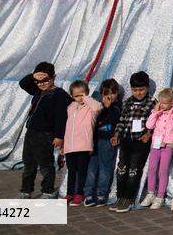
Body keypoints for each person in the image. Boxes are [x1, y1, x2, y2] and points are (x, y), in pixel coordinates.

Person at [18, 61, 71, 200]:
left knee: (45, 165)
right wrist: (33, 76)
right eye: (37, 81)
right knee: (28, 164)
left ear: (54, 77)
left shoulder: (60, 95)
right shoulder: (37, 90)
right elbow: (23, 83)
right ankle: (26, 190)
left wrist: (59, 136)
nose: (41, 83)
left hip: (46, 135)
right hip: (31, 132)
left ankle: (47, 191)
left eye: (45, 80)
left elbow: (61, 118)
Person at [110, 71, 156, 212]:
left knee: (134, 171)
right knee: (122, 169)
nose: (138, 93)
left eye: (141, 89)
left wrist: (149, 134)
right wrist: (116, 135)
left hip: (140, 142)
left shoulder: (152, 103)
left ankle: (129, 199)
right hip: (126, 140)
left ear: (147, 88)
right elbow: (122, 121)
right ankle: (120, 197)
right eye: (135, 90)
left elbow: (155, 122)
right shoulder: (128, 103)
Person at [140, 87, 173, 210]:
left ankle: (160, 196)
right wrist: (155, 112)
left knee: (163, 170)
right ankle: (150, 193)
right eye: (160, 102)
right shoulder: (157, 113)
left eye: (165, 103)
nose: (162, 105)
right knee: (152, 168)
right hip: (155, 145)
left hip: (168, 146)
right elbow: (149, 125)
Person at [61, 80, 102, 205]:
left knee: (82, 171)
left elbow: (98, 107)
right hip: (70, 146)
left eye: (82, 94)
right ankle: (69, 193)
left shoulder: (90, 108)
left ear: (87, 94)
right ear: (72, 96)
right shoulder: (70, 107)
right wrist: (64, 145)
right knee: (71, 171)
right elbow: (67, 127)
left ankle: (79, 194)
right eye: (76, 95)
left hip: (83, 145)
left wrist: (86, 98)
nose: (79, 98)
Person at [83, 79, 121, 207]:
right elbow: (92, 119)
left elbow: (114, 119)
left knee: (105, 168)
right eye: (106, 94)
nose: (109, 96)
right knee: (92, 168)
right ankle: (88, 193)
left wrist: (108, 107)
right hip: (94, 140)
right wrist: (102, 107)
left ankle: (102, 193)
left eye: (113, 93)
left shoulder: (117, 107)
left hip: (107, 141)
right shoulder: (97, 107)